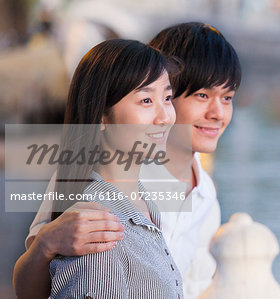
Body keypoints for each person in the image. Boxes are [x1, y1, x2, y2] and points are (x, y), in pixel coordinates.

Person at [13, 22, 241, 299]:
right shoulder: (100, 197)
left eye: (227, 98)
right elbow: (33, 284)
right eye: (202, 95)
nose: (218, 113)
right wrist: (45, 244)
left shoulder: (204, 193)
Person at [50, 38, 182, 298]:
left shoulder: (140, 201)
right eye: (146, 101)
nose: (165, 116)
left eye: (167, 98)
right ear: (101, 116)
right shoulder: (99, 232)